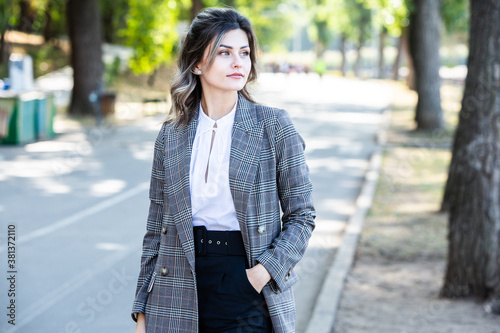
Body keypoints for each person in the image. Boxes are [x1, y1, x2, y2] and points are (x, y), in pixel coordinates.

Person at [132, 7, 315, 333]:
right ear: (198, 63)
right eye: (224, 52)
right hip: (176, 287)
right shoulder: (171, 135)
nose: (238, 62)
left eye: (244, 53)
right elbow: (155, 228)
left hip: (244, 284)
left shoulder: (273, 126)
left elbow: (302, 216)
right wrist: (142, 309)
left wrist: (263, 272)